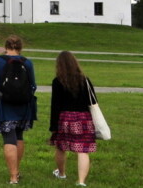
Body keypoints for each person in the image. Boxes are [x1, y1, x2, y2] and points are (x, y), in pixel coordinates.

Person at [0, 35, 37, 185]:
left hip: (5, 105)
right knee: (19, 137)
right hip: (23, 106)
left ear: (5, 46)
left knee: (9, 138)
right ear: (21, 47)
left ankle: (13, 177)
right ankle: (17, 171)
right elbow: (33, 86)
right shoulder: (27, 62)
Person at [49, 51, 96, 187]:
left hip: (65, 118)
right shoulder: (85, 80)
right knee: (83, 150)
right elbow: (93, 101)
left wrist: (53, 126)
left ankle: (61, 173)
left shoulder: (57, 81)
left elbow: (55, 105)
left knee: (61, 147)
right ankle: (81, 181)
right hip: (84, 118)